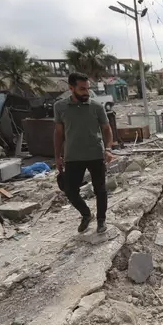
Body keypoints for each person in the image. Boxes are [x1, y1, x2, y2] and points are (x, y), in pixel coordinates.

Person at [54, 72, 114, 233]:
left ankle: (101, 220)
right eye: (82, 89)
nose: (86, 92)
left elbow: (107, 129)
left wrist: (108, 148)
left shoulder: (96, 107)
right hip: (73, 156)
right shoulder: (60, 107)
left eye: (87, 88)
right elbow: (59, 133)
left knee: (100, 189)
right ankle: (86, 214)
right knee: (70, 190)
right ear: (71, 88)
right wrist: (57, 156)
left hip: (95, 154)